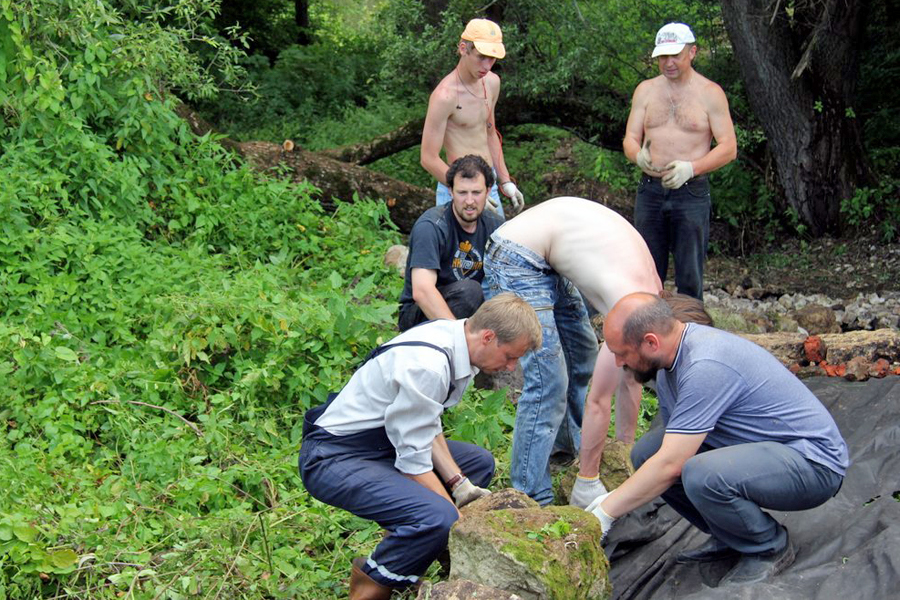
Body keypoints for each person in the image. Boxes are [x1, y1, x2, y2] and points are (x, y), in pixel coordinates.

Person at [585, 292, 848, 586]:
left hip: (813, 463)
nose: (619, 362)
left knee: (698, 474)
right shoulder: (672, 360)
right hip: (760, 447)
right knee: (647, 452)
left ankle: (767, 548)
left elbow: (672, 464)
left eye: (622, 352)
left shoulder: (704, 364)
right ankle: (731, 537)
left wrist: (605, 513)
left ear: (651, 342)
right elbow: (666, 454)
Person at [299, 293, 542, 599]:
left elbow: (425, 423)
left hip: (381, 444)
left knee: (477, 464)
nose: (511, 367)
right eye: (510, 356)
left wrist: (460, 483)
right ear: (488, 337)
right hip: (333, 457)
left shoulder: (455, 340)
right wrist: (457, 519)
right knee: (439, 517)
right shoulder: (429, 365)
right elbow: (414, 463)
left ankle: (411, 554)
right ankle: (373, 583)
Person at [483, 196, 662, 506]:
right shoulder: (629, 315)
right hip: (517, 254)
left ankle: (566, 449)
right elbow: (599, 399)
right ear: (650, 342)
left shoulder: (653, 304)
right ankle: (531, 496)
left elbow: (630, 382)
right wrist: (589, 480)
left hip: (552, 253)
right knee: (548, 380)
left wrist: (623, 455)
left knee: (581, 358)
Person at [623, 22, 737, 300]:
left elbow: (729, 147)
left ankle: (691, 332)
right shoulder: (646, 90)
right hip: (650, 188)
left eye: (675, 55)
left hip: (691, 190)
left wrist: (691, 168)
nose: (669, 62)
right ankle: (647, 330)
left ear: (693, 52)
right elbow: (629, 139)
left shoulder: (710, 93)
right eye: (663, 56)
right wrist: (638, 156)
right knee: (646, 269)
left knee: (689, 273)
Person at [420, 18, 524, 219]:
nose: (487, 65)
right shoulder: (445, 96)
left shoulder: (492, 83)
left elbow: (490, 132)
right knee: (458, 250)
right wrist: (468, 193)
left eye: (492, 59)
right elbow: (428, 158)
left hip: (488, 185)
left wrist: (505, 180)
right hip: (458, 189)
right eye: (481, 57)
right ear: (463, 49)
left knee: (497, 248)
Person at [398, 154, 504, 332]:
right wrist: (460, 338)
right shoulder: (431, 226)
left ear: (488, 190)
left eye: (476, 193)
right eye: (462, 193)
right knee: (470, 292)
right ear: (450, 191)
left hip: (467, 311)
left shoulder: (495, 226)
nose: (469, 201)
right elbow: (422, 291)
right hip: (420, 316)